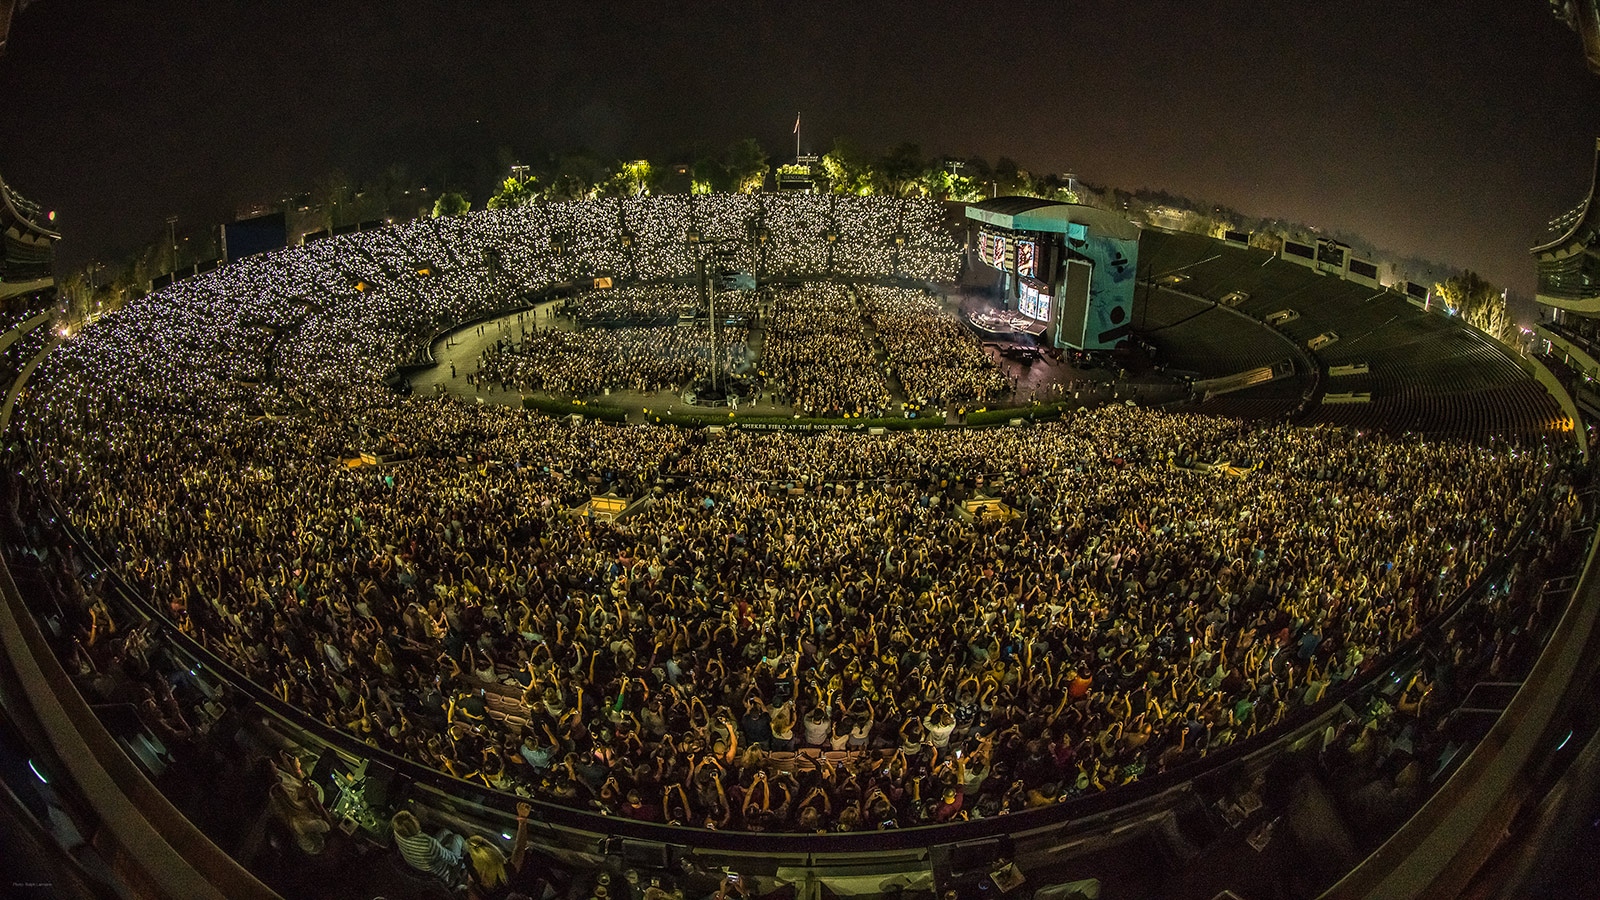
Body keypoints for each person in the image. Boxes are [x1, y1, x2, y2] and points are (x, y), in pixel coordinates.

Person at [391, 809, 465, 884]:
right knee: (457, 838)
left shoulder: (397, 833)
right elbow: (453, 860)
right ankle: (468, 862)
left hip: (422, 866)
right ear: (414, 824)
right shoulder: (428, 843)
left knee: (445, 832)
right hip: (443, 874)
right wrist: (460, 860)